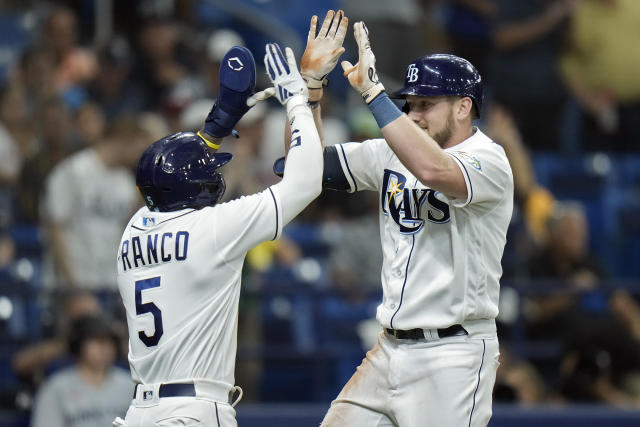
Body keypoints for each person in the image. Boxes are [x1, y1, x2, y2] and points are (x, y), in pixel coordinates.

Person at [290, 10, 513, 426]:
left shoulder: (490, 160)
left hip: (453, 355)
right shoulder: (391, 151)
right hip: (388, 349)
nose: (412, 115)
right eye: (408, 104)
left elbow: (435, 172)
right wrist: (312, 90)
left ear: (464, 107)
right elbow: (302, 169)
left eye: (425, 104)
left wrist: (373, 91)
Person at [113, 43, 323, 427]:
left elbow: (163, 178)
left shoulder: (134, 228)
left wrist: (219, 121)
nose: (216, 175)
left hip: (139, 411)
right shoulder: (214, 229)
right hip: (191, 412)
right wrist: (297, 100)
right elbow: (306, 181)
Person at [30, 314, 132, 427]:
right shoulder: (56, 388)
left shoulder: (131, 385)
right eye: (96, 340)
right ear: (79, 345)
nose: (104, 347)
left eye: (109, 341)